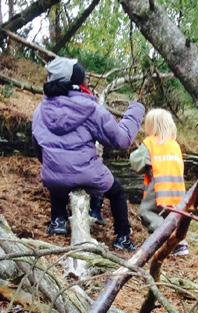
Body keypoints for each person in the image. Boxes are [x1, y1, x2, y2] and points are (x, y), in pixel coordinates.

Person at [31, 56, 144, 251]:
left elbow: (38, 146)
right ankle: (123, 237)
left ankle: (58, 220)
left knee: (58, 174)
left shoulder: (40, 109)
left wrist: (49, 163)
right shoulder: (91, 108)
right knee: (117, 192)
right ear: (77, 82)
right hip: (88, 175)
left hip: (52, 176)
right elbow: (121, 140)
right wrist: (136, 111)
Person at [129, 108, 189, 256]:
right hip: (177, 190)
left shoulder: (150, 143)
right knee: (173, 216)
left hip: (158, 188)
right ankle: (181, 244)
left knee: (146, 212)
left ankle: (167, 238)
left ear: (152, 126)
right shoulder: (174, 145)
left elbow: (136, 163)